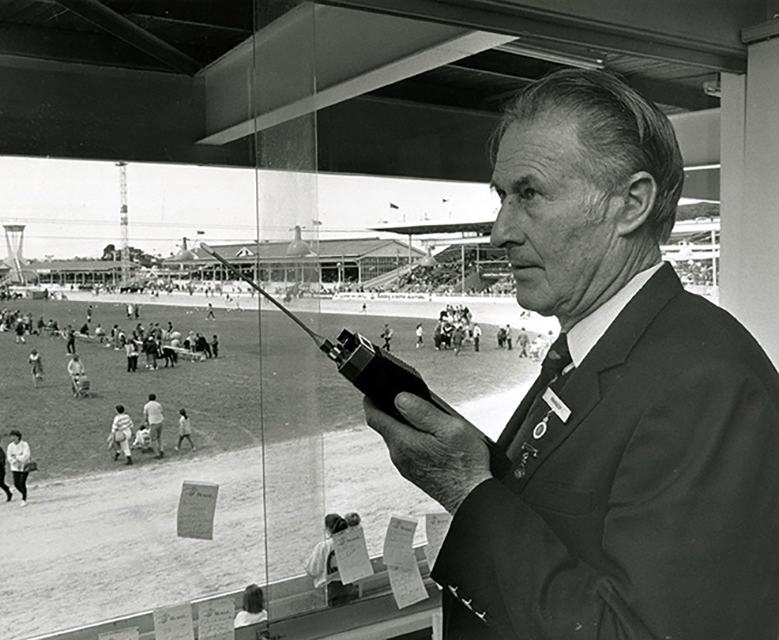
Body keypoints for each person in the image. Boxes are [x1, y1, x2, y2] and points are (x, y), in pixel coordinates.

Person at [363, 69, 779, 639]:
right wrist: (470, 457)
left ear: (631, 204)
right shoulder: (590, 349)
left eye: (529, 194)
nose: (499, 231)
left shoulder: (708, 381)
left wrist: (467, 488)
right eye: (501, 196)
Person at [304, 513, 357, 607]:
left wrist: (304, 563)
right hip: (347, 586)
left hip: (328, 589)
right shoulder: (350, 541)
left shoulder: (323, 546)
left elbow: (313, 571)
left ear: (328, 529)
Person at [6, 429, 30, 506]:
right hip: (15, 467)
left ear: (18, 437)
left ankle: (24, 499)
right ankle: (24, 493)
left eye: (14, 436)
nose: (12, 438)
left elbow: (26, 455)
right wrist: (14, 461)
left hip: (24, 466)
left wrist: (17, 457)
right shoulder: (10, 446)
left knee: (22, 482)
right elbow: (9, 456)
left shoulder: (24, 444)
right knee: (16, 484)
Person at [143, 393, 165, 458]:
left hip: (153, 423)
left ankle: (157, 454)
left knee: (153, 439)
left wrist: (146, 422)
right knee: (159, 437)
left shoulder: (147, 406)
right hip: (160, 421)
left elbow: (146, 415)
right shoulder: (158, 404)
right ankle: (161, 450)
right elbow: (161, 411)